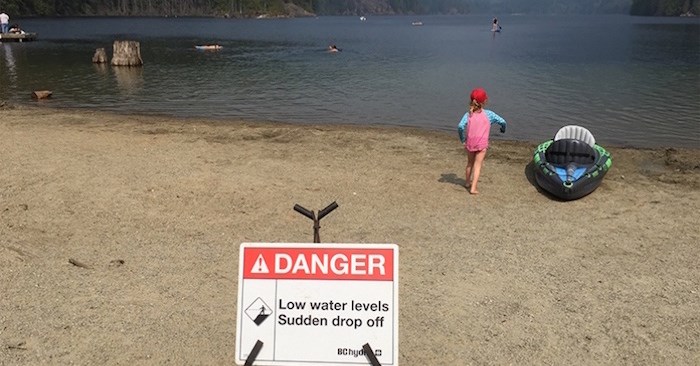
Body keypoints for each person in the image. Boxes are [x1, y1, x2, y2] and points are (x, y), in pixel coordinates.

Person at [457, 88, 507, 195]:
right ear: (485, 101)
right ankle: (473, 188)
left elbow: (460, 126)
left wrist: (462, 139)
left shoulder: (468, 115)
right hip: (482, 144)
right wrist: (503, 128)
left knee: (469, 163)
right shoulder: (489, 115)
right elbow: (503, 121)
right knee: (478, 165)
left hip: (470, 143)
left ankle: (467, 182)